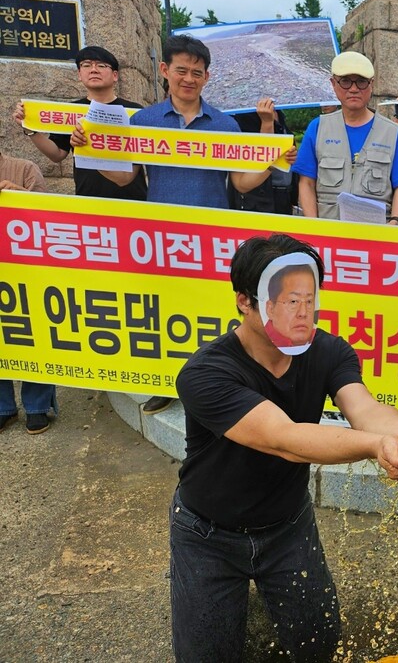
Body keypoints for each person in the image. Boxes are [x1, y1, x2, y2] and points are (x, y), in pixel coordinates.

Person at [170, 233, 398, 661]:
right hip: (208, 533)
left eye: (309, 299)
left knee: (318, 642)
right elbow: (284, 438)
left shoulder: (327, 351)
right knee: (208, 654)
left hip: (288, 526)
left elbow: (364, 408)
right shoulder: (205, 373)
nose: (303, 313)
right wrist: (376, 446)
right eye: (289, 301)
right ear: (245, 302)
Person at [70, 34, 295, 415]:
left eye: (197, 72)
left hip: (212, 237)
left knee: (209, 311)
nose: (188, 78)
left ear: (207, 76)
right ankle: (166, 382)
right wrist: (87, 151)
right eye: (181, 70)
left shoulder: (224, 124)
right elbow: (125, 177)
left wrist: (272, 161)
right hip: (160, 237)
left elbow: (241, 183)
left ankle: (216, 382)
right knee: (165, 310)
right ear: (165, 70)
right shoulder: (144, 121)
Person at [13, 45, 148, 201]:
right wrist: (29, 128)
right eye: (86, 65)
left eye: (101, 65)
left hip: (133, 200)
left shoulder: (134, 111)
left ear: (115, 75)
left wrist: (89, 148)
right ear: (79, 74)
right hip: (88, 198)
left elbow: (133, 166)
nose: (93, 70)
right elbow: (57, 153)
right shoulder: (71, 112)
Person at [292, 52, 398, 223]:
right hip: (328, 229)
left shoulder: (392, 133)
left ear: (371, 84)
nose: (354, 89)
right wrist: (313, 224)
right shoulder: (318, 128)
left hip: (376, 232)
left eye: (361, 82)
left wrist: (395, 220)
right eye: (345, 81)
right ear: (333, 84)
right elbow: (306, 182)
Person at [0, 153, 57, 434]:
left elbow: (48, 214)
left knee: (33, 333)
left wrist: (19, 194)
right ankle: (3, 408)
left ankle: (37, 406)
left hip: (26, 267)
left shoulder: (24, 168)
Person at [228, 97, 298, 214]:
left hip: (284, 198)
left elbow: (284, 155)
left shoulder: (279, 113)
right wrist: (267, 123)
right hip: (256, 203)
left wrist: (290, 156)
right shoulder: (240, 119)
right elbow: (242, 184)